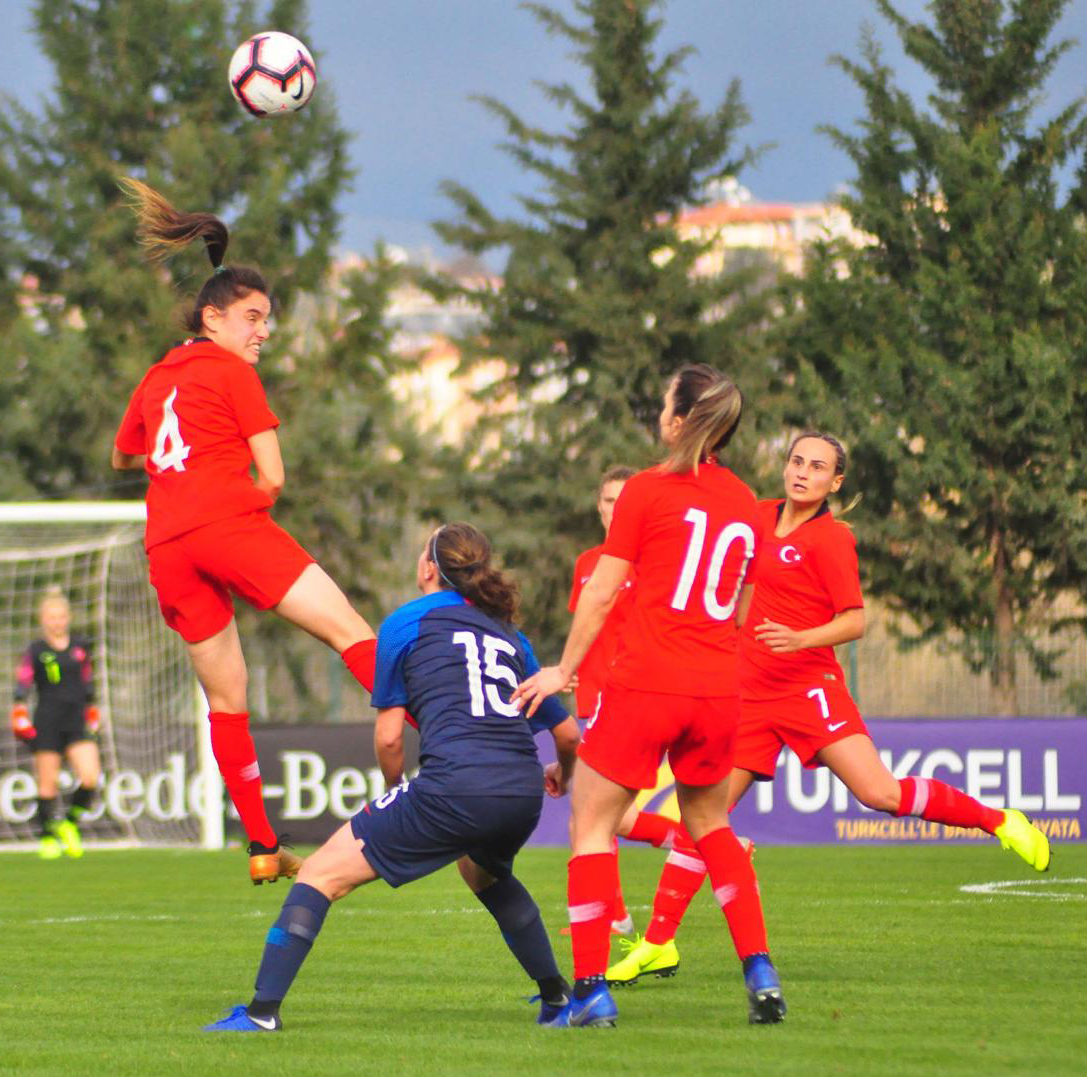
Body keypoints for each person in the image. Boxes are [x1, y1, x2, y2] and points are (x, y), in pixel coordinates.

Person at [611, 432, 1051, 981]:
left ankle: (999, 820)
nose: (802, 472)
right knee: (707, 820)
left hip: (808, 689)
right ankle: (659, 943)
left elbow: (855, 619)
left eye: (816, 467)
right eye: (796, 461)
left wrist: (801, 638)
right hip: (746, 694)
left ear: (834, 482)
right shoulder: (754, 515)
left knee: (880, 794)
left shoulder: (831, 539)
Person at [204, 522, 580, 1032]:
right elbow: (568, 734)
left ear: (428, 567)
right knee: (484, 873)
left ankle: (261, 1012)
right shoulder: (510, 636)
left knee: (319, 876)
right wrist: (562, 772)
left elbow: (388, 738)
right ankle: (557, 998)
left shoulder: (404, 625)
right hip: (520, 790)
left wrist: (395, 793)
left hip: (455, 786)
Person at [111, 178, 380, 885]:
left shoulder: (159, 374)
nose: (263, 330)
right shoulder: (230, 372)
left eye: (267, 319)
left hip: (167, 545)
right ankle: (453, 744)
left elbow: (121, 452)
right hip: (225, 522)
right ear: (213, 318)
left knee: (227, 700)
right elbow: (274, 475)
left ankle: (262, 844)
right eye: (254, 317)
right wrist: (241, 500)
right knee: (351, 632)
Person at [515, 364, 786, 1028]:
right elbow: (742, 610)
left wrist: (564, 670)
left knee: (591, 826)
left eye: (664, 404)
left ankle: (590, 991)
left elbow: (604, 590)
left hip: (647, 683)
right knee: (710, 825)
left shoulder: (646, 489)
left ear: (677, 419)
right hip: (718, 690)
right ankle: (760, 972)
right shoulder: (748, 505)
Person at [569, 465, 711, 953]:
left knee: (602, 817)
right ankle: (619, 917)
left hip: (637, 697)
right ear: (598, 506)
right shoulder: (588, 561)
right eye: (607, 500)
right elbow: (592, 623)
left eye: (622, 500)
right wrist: (570, 671)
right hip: (594, 699)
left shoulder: (652, 561)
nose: (614, 509)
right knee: (602, 817)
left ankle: (702, 848)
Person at [10, 587, 102, 859]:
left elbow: (88, 681)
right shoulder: (36, 650)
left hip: (76, 719)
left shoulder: (80, 647)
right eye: (52, 617)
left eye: (61, 616)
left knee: (90, 776)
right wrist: (18, 710)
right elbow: (23, 683)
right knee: (47, 783)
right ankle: (47, 837)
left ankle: (69, 823)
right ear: (43, 619)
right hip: (48, 718)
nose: (57, 621)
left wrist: (93, 710)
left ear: (68, 617)